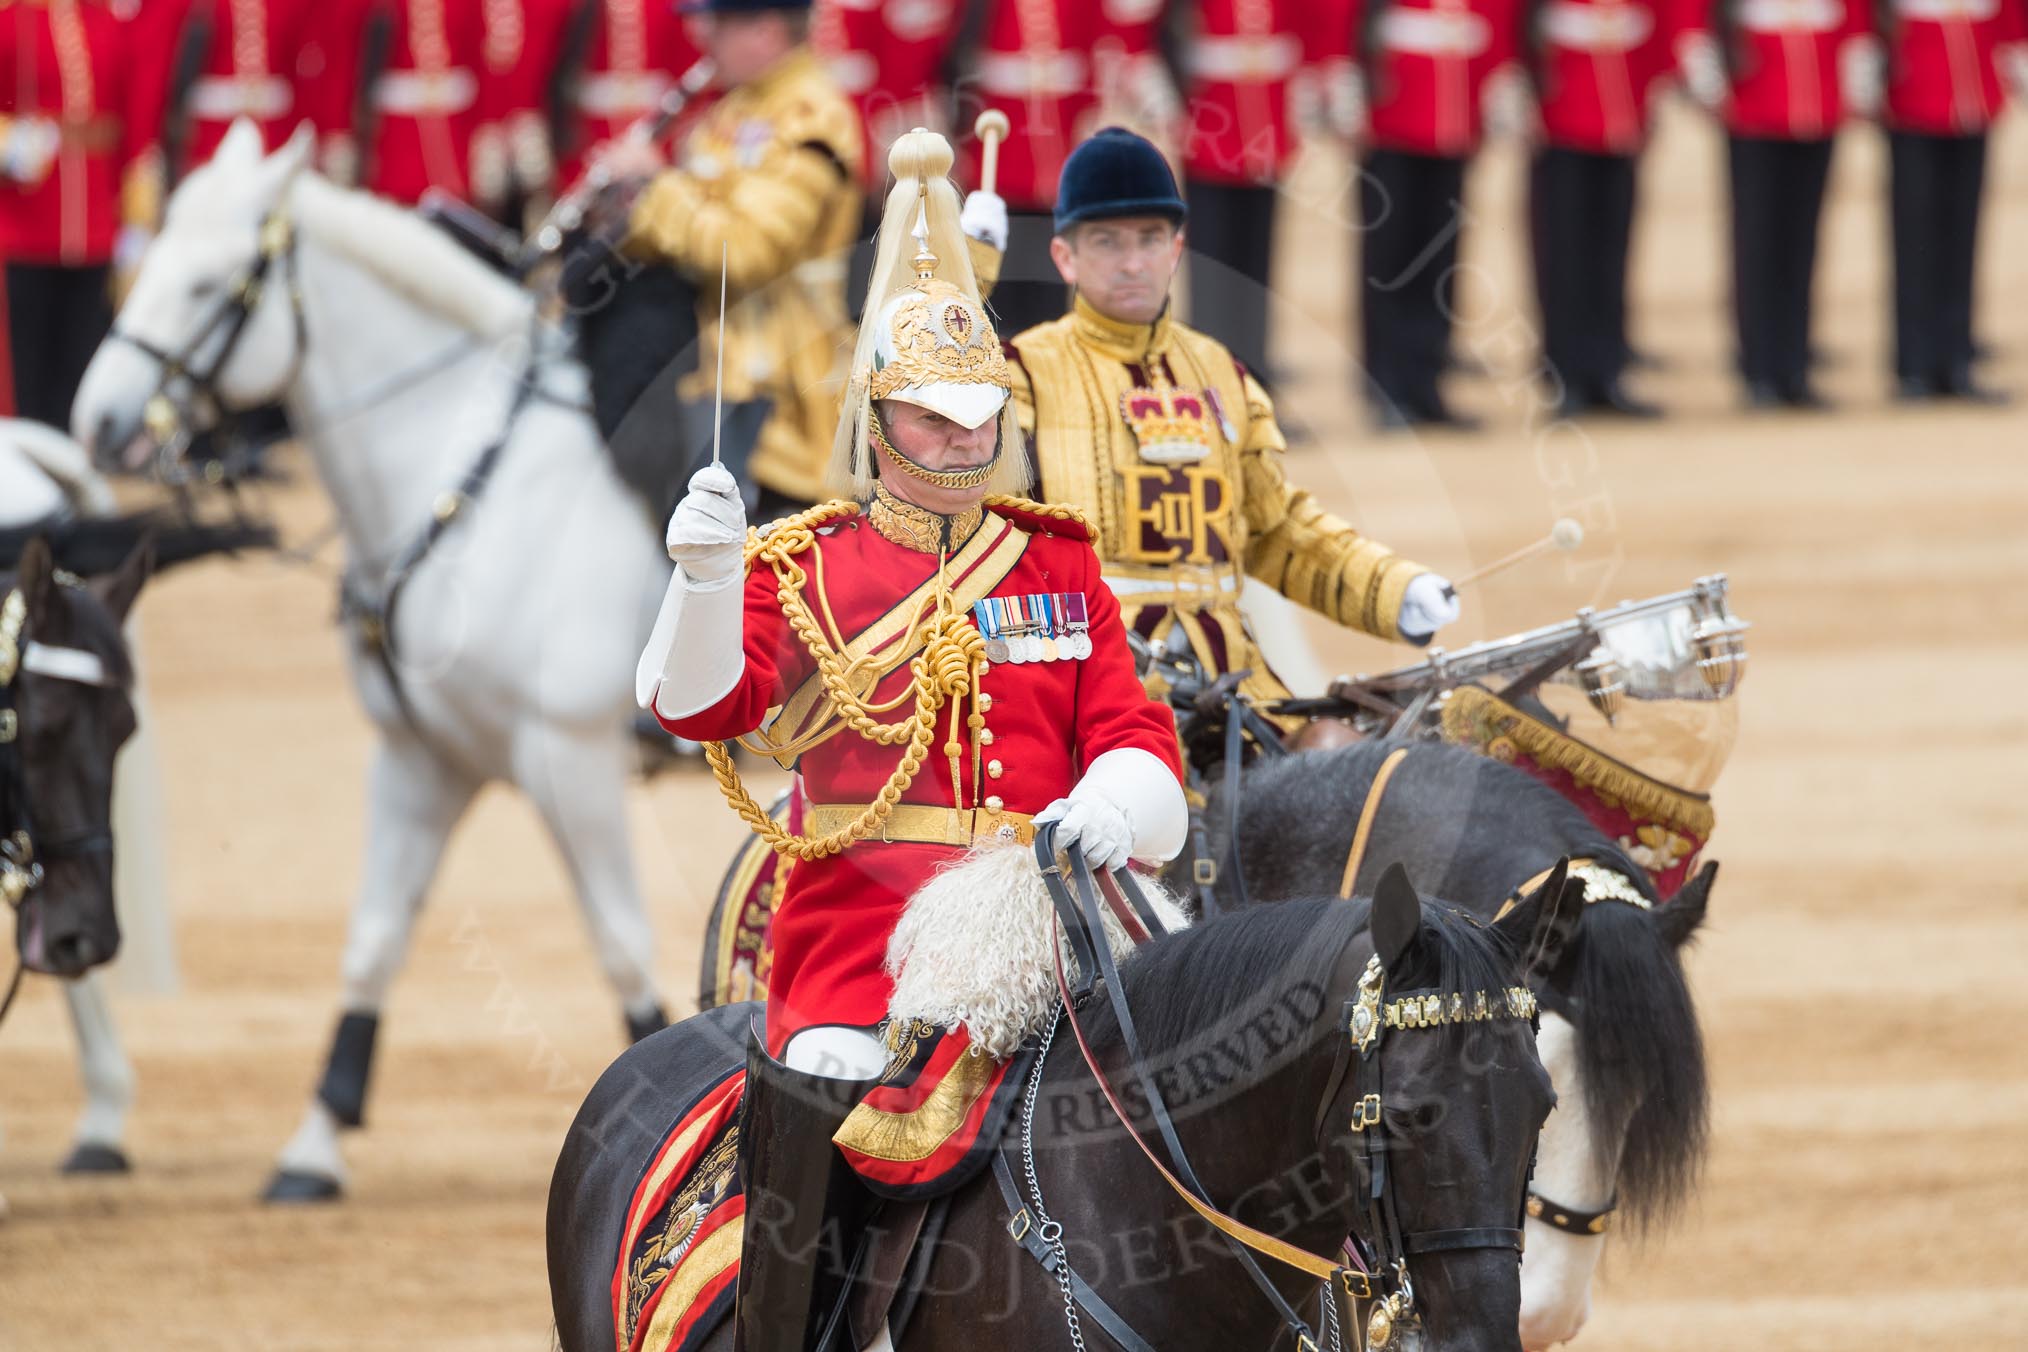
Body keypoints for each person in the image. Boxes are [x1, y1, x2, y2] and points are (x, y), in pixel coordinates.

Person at [636, 128, 1186, 1350]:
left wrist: (1118, 793)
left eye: (978, 417)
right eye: (931, 419)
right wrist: (706, 581)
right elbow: (695, 711)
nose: (959, 440)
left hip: (1055, 914)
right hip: (864, 937)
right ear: (879, 418)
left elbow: (1138, 731)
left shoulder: (1056, 558)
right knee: (825, 1076)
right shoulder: (808, 561)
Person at [968, 127, 1460, 720]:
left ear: (1176, 249)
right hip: (1084, 682)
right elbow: (936, 463)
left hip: (1233, 683)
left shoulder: (1222, 373)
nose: (1132, 263)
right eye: (1105, 242)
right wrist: (964, 280)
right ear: (1064, 257)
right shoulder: (1020, 371)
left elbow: (1273, 531)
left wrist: (1391, 588)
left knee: (1346, 767)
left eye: (1149, 239)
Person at [594, 0, 864, 516]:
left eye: (716, 24)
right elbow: (683, 230)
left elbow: (743, 254)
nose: (703, 38)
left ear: (764, 29)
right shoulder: (732, 111)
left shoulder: (813, 116)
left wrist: (654, 186)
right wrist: (620, 215)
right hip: (706, 370)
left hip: (777, 396)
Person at [1343, 0, 1528, 429]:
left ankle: (1427, 384)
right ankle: (1387, 385)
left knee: (1441, 253)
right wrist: (1343, 73)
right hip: (1393, 100)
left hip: (1456, 101)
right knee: (1392, 254)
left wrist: (1498, 73)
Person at [1678, 0, 1869, 409]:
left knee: (1802, 242)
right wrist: (1702, 61)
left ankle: (1794, 367)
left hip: (1818, 89)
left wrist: (1857, 57)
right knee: (1759, 241)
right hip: (1755, 92)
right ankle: (1760, 370)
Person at [1854, 0, 2026, 403]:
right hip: (1914, 84)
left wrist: (2016, 49)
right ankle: (1914, 365)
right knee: (1916, 237)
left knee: (1961, 236)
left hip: (1973, 84)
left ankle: (1955, 360)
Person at [0, 0, 158, 429]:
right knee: (28, 367)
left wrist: (135, 219)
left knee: (82, 358)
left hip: (94, 226)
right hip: (26, 225)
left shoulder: (107, 23)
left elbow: (132, 120)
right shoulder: (12, 22)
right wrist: (8, 142)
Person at [1525, 0, 1685, 418]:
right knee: (1564, 252)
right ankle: (1566, 376)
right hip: (1561, 103)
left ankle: (1606, 372)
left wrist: (1653, 83)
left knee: (1611, 251)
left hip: (1621, 103)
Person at [1178, 0, 1343, 381]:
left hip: (1266, 120)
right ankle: (1213, 383)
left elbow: (1313, 20)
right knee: (1214, 269)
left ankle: (1254, 379)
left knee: (1257, 266)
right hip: (1209, 121)